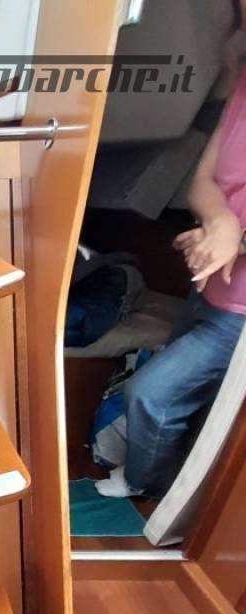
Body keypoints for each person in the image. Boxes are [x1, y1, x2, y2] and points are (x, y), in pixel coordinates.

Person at [97, 2, 246, 498]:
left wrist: (232, 240)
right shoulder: (242, 86)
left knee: (151, 394)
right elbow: (203, 181)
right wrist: (219, 222)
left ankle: (150, 490)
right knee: (186, 400)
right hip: (207, 290)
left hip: (239, 314)